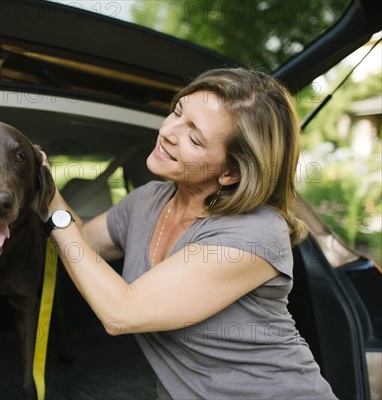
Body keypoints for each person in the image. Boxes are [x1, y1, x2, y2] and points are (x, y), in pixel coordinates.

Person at [40, 68, 337, 399]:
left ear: (231, 172)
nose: (167, 131)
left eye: (195, 137)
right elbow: (80, 246)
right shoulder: (147, 201)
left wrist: (52, 205)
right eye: (177, 113)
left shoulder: (255, 231)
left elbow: (120, 313)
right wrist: (40, 183)